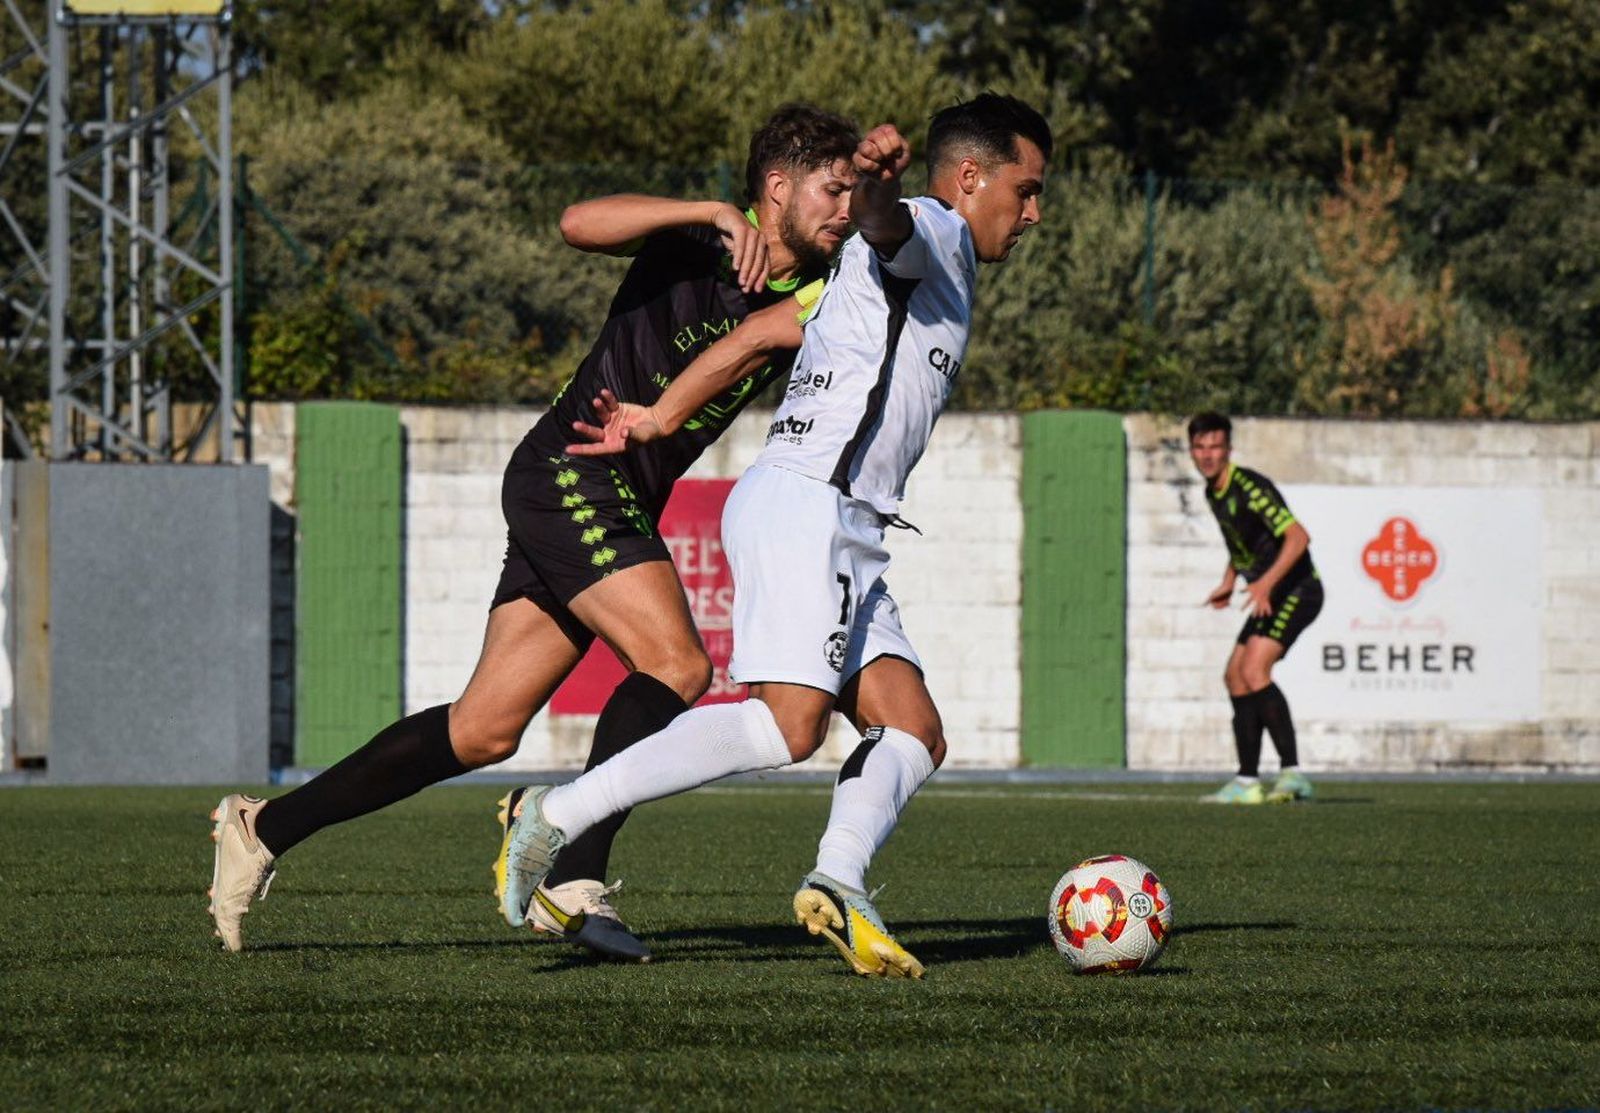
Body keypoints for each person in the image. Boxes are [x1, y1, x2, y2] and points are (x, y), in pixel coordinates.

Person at [207, 104, 862, 957]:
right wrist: (702, 210)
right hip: (570, 475)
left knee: (483, 728)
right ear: (777, 187)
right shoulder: (700, 241)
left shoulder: (820, 289)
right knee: (679, 663)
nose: (845, 209)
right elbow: (575, 223)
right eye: (833, 189)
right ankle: (571, 863)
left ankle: (263, 827)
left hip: (609, 495)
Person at [498, 94, 1052, 979]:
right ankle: (559, 811)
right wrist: (873, 186)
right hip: (812, 507)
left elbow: (756, 334)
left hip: (841, 521)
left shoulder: (866, 279)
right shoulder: (935, 231)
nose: (1032, 213)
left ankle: (838, 879)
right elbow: (885, 221)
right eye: (1025, 190)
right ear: (972, 176)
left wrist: (657, 417)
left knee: (912, 730)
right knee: (789, 727)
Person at [1188, 412, 1323, 804]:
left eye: (1215, 446)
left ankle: (1293, 774)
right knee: (1234, 676)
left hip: (1298, 589)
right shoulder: (1214, 492)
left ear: (1228, 448)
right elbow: (1240, 542)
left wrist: (1264, 582)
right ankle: (1247, 782)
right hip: (1270, 592)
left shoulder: (1249, 486)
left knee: (1253, 669)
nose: (1208, 455)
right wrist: (1231, 581)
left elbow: (1298, 537)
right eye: (1200, 447)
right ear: (1192, 451)